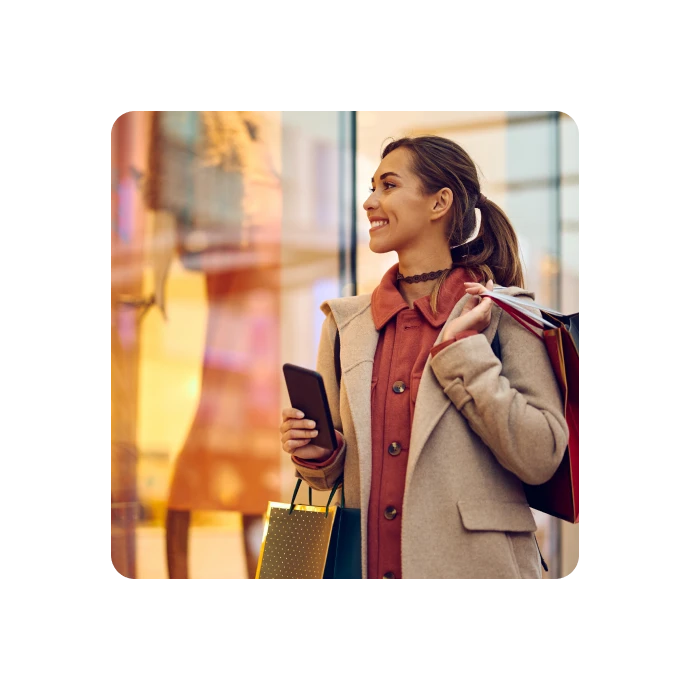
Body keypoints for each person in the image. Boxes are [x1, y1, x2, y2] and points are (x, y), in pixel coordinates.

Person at [279, 135, 568, 581]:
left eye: (389, 186)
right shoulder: (344, 324)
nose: (370, 201)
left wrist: (463, 355)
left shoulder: (502, 312)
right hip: (364, 576)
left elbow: (540, 453)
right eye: (372, 187)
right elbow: (336, 473)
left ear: (440, 203)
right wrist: (318, 451)